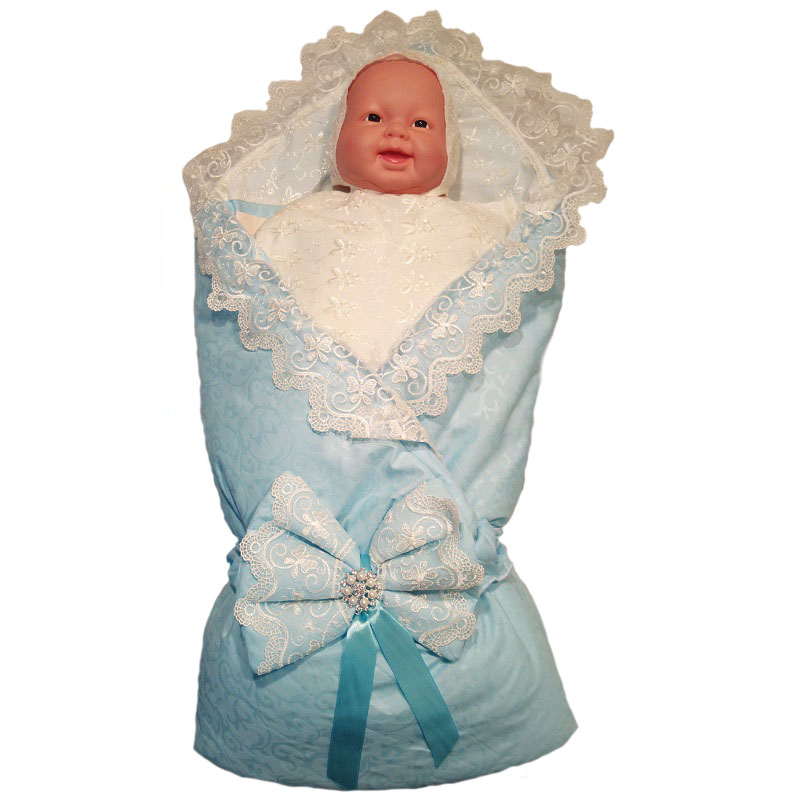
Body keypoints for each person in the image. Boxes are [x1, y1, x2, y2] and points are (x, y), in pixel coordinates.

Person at [185, 11, 611, 790]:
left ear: (454, 150)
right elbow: (245, 315)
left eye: (422, 122)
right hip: (306, 470)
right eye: (373, 116)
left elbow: (517, 294)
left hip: (434, 490)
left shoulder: (479, 231)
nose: (397, 132)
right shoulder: (294, 226)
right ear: (334, 138)